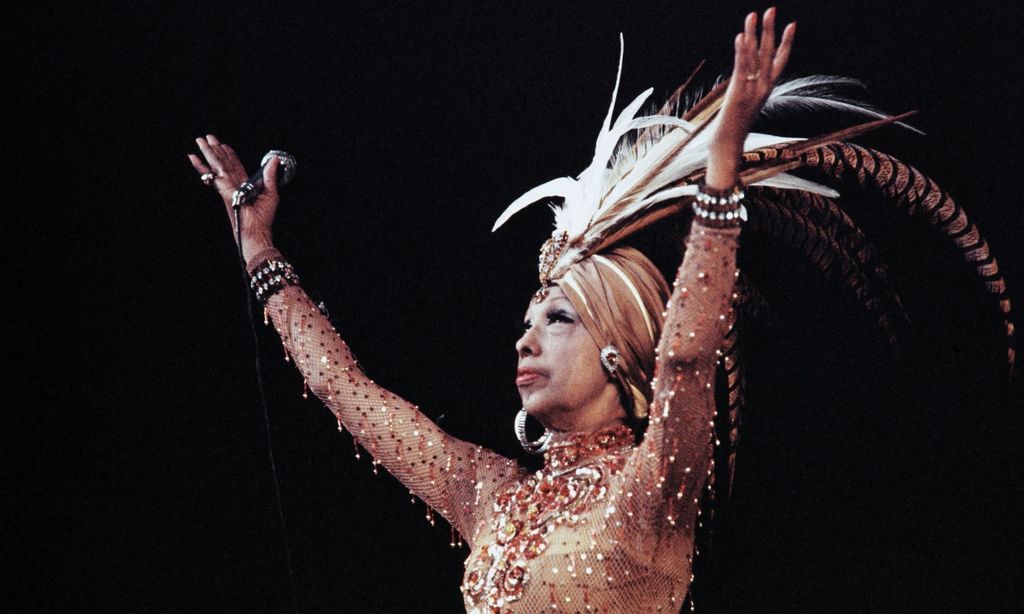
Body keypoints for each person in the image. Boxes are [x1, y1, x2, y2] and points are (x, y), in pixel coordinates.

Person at [189, 7, 1012, 612]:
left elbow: (688, 356)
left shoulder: (657, 484)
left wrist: (720, 175)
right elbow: (347, 392)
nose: (526, 335)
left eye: (559, 318)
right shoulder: (490, 496)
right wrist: (259, 249)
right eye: (528, 317)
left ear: (620, 350)